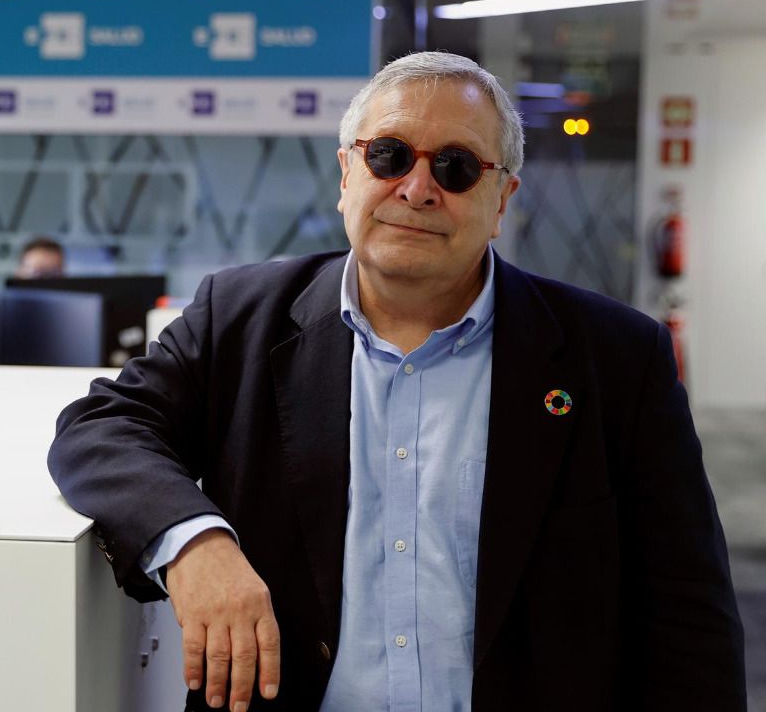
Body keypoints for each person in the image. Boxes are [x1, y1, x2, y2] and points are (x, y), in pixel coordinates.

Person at [47, 52, 745, 712]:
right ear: (346, 173)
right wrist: (195, 543)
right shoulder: (239, 317)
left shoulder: (616, 358)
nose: (417, 189)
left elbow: (688, 612)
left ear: (502, 199)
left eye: (456, 167)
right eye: (388, 155)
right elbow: (104, 427)